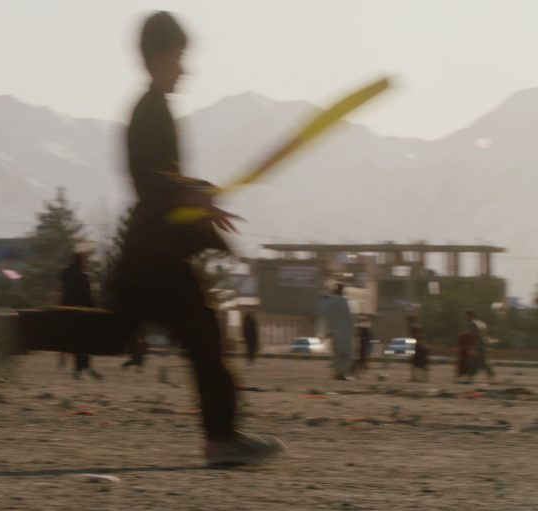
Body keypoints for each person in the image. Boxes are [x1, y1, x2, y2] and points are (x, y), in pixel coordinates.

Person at [112, 12, 283, 467]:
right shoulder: (149, 110)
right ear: (159, 58)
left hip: (145, 253)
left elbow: (164, 179)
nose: (183, 69)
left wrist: (198, 195)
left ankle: (18, 327)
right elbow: (150, 179)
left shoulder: (152, 109)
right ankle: (221, 440)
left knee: (112, 332)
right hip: (156, 255)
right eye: (178, 58)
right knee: (204, 335)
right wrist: (191, 194)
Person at [60, 252, 103, 379]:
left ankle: (81, 369)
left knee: (78, 342)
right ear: (81, 262)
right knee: (84, 341)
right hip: (82, 313)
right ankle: (83, 368)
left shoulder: (67, 275)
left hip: (69, 312)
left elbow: (65, 294)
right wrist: (95, 310)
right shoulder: (83, 277)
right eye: (85, 261)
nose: (86, 263)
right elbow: (88, 297)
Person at [320, 284, 354, 380]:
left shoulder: (329, 301)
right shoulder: (343, 301)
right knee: (346, 353)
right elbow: (349, 317)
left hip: (334, 331)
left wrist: (328, 329)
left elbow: (325, 313)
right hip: (344, 331)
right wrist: (351, 329)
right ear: (341, 291)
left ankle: (338, 373)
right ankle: (342, 373)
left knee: (337, 353)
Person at [465, 310, 495, 381]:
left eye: (467, 316)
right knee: (482, 362)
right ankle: (470, 378)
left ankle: (470, 378)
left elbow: (473, 336)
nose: (466, 318)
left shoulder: (473, 324)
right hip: (484, 345)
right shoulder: (480, 323)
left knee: (475, 362)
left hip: (478, 346)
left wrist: (472, 347)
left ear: (469, 316)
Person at [407, 315, 429, 382]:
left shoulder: (414, 327)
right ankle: (420, 378)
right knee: (421, 362)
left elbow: (417, 336)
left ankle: (416, 378)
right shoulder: (417, 326)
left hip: (419, 346)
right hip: (420, 345)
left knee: (416, 362)